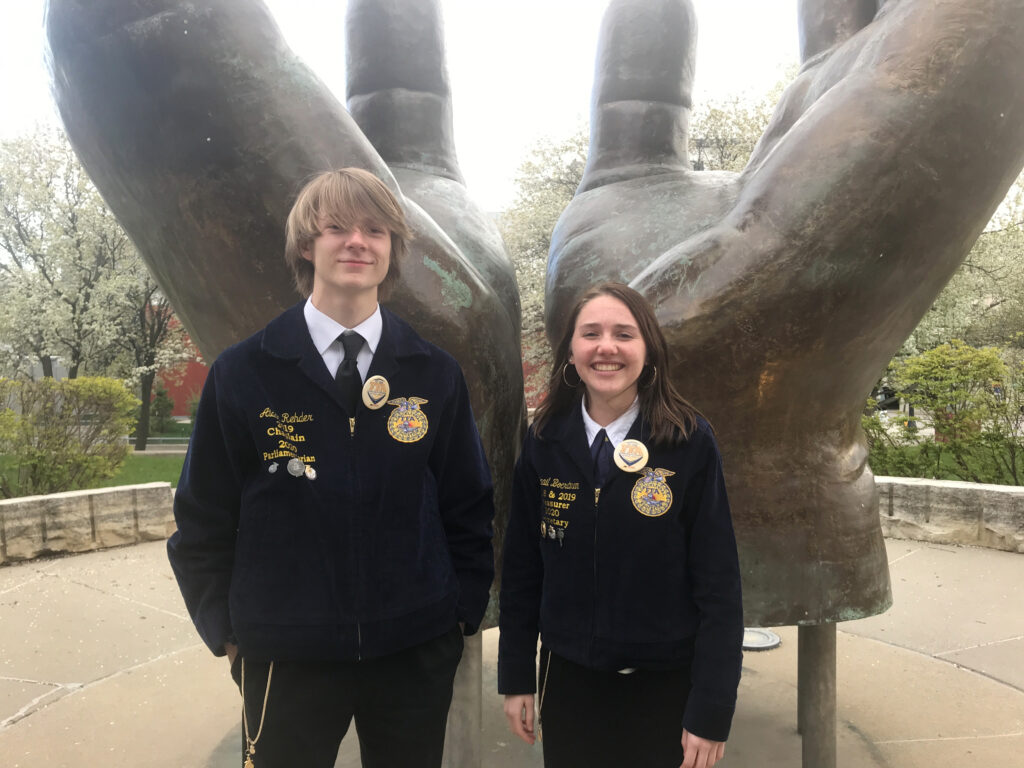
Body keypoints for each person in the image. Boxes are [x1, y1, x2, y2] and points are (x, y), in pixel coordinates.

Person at [167, 167, 495, 768]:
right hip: (285, 655)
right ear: (305, 244)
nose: (357, 242)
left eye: (375, 230)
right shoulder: (243, 373)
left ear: (392, 248)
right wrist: (230, 635)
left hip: (413, 651)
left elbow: (468, 505)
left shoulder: (433, 373)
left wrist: (458, 615)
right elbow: (201, 515)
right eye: (337, 227)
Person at [498, 282, 743, 768]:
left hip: (664, 687)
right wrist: (516, 675)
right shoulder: (544, 440)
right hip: (569, 683)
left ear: (648, 350)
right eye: (591, 333)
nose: (606, 347)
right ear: (571, 351)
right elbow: (522, 570)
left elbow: (719, 585)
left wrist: (712, 709)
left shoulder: (688, 442)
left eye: (624, 334)